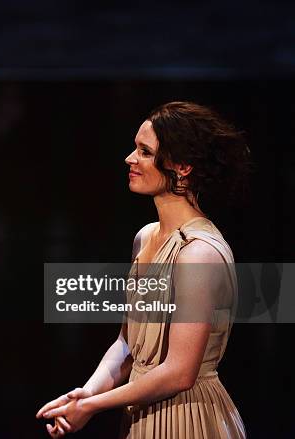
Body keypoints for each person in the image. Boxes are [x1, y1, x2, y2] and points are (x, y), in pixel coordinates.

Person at [37, 102, 249, 438]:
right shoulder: (146, 237)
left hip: (187, 416)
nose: (130, 159)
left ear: (182, 166)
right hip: (143, 412)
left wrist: (94, 406)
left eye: (144, 152)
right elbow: (127, 344)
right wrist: (87, 393)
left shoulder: (198, 253)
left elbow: (180, 372)